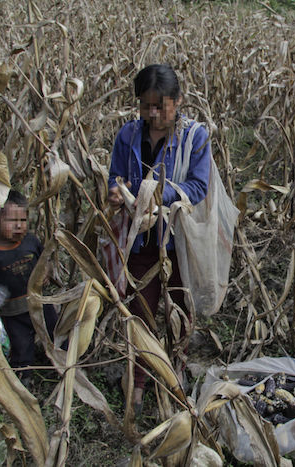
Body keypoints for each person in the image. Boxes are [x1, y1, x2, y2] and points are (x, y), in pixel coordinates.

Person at [107, 64, 211, 415]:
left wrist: (158, 195)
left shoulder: (195, 137)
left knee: (180, 307)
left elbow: (198, 187)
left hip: (178, 240)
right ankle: (137, 380)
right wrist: (116, 192)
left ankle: (175, 368)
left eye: (160, 106)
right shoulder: (128, 135)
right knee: (140, 309)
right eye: (145, 106)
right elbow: (116, 176)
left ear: (178, 101)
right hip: (140, 240)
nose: (152, 114)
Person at [0, 190, 57, 386]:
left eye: (23, 220)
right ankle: (24, 374)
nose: (19, 226)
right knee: (20, 343)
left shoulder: (31, 241)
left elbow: (44, 260)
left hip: (39, 302)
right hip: (13, 313)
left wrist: (46, 272)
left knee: (55, 330)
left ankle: (60, 362)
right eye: (12, 221)